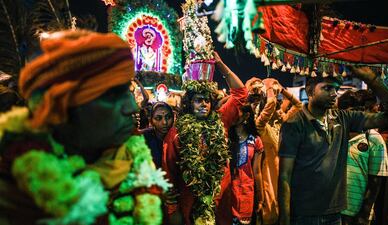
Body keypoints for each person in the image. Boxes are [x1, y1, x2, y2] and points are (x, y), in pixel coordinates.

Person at [0, 30, 170, 225]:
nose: (132, 107)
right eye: (114, 95)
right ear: (62, 109)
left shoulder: (138, 164)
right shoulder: (15, 197)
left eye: (128, 92)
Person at [278, 67, 388, 225]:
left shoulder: (343, 118)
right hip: (303, 214)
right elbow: (284, 176)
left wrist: (373, 81)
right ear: (309, 91)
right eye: (327, 88)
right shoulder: (294, 124)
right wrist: (284, 218)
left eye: (336, 89)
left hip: (335, 214)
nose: (334, 94)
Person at [164, 51, 247, 225]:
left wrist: (221, 65)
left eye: (207, 100)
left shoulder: (221, 121)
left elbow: (241, 93)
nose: (204, 104)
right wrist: (173, 209)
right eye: (198, 100)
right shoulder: (177, 131)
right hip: (190, 202)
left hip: (220, 200)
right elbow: (169, 172)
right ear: (189, 103)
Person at [246, 77, 302, 225]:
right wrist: (270, 87)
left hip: (285, 174)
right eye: (276, 104)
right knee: (270, 214)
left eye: (279, 104)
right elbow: (270, 103)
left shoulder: (282, 124)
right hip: (269, 175)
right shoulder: (260, 126)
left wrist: (282, 90)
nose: (278, 106)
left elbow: (299, 105)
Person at [337, 90, 388, 225]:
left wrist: (364, 215)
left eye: (358, 110)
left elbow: (376, 181)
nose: (355, 115)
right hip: (333, 211)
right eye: (350, 112)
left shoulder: (373, 139)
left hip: (357, 214)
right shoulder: (335, 134)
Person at [229, 104, 264, 225]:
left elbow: (257, 172)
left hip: (246, 193)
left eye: (235, 111)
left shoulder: (255, 140)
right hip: (227, 193)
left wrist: (260, 198)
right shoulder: (224, 137)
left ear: (246, 115)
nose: (232, 114)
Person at [142, 101, 174, 169]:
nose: (164, 122)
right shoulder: (143, 138)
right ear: (151, 121)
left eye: (168, 117)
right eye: (158, 118)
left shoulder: (178, 138)